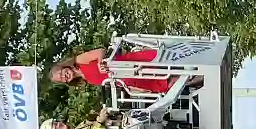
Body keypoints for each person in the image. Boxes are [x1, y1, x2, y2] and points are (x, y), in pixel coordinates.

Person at [49, 47, 203, 94]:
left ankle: (201, 61)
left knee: (164, 65)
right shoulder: (87, 80)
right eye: (62, 79)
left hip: (126, 64)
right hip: (129, 79)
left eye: (61, 73)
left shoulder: (79, 61)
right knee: (168, 84)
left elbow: (100, 51)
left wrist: (101, 62)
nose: (64, 76)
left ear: (63, 67)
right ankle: (203, 77)